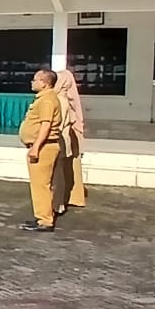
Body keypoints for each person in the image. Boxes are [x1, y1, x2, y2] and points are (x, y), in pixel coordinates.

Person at [19, 69, 63, 233]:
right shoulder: (44, 99)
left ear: (44, 83)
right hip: (41, 146)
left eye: (35, 80)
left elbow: (46, 125)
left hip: (44, 147)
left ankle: (45, 221)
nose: (32, 82)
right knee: (40, 184)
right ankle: (42, 216)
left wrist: (36, 147)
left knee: (41, 185)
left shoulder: (47, 101)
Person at [52, 69, 87, 215]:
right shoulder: (65, 99)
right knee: (66, 171)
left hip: (59, 142)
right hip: (67, 141)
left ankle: (57, 204)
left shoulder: (59, 100)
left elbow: (56, 125)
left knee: (58, 175)